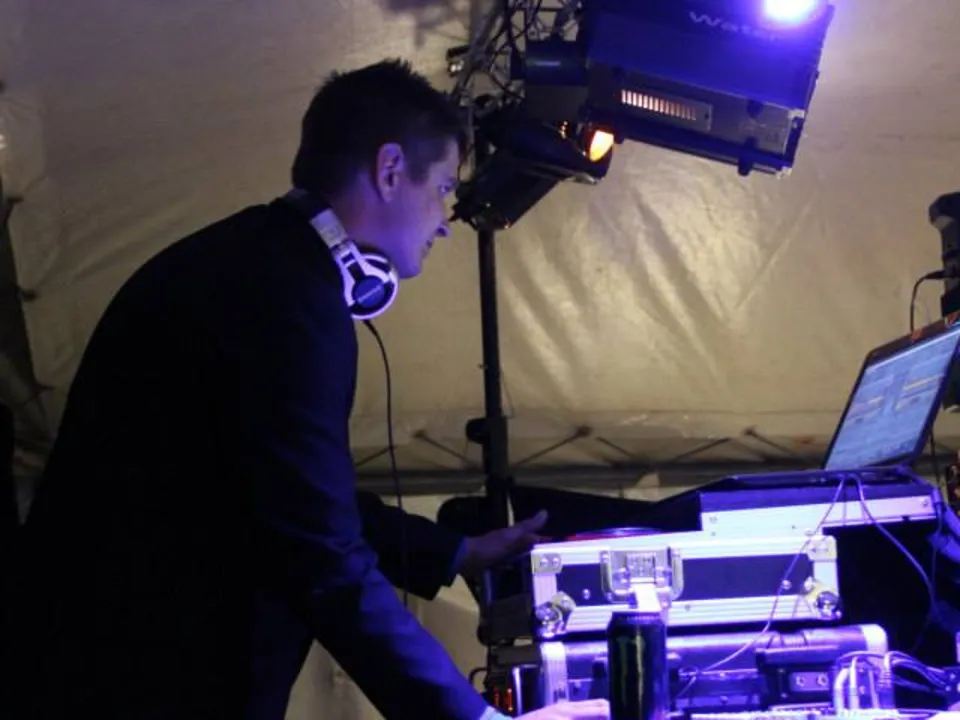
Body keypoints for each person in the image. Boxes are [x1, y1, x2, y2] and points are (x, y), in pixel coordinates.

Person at [1, 59, 610, 720]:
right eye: (441, 187)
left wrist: (456, 552)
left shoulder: (253, 265)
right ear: (389, 170)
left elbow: (289, 490)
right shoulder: (287, 304)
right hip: (129, 684)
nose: (444, 219)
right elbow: (322, 555)